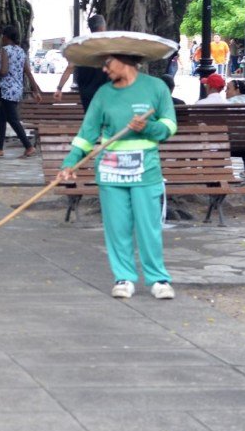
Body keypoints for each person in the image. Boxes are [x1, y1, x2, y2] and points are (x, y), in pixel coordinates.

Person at [57, 53, 178, 300]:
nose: (104, 69)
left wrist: (149, 127)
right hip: (111, 172)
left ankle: (158, 279)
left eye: (108, 63)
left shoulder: (155, 87)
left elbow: (169, 126)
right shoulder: (103, 94)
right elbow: (86, 133)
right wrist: (70, 163)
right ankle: (123, 278)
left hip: (146, 171)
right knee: (117, 227)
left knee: (149, 227)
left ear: (125, 60)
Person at [0, 25, 41, 158]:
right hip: (17, 89)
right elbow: (28, 71)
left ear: (6, 37)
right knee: (1, 117)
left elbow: (4, 71)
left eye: (2, 36)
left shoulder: (5, 50)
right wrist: (35, 89)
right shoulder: (20, 51)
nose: (1, 38)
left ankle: (28, 146)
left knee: (12, 119)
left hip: (6, 90)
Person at [54, 14, 109, 109]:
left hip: (86, 93)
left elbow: (70, 67)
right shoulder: (108, 46)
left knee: (91, 120)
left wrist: (59, 88)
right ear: (102, 28)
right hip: (105, 91)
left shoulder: (81, 46)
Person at [225, 78, 245, 178]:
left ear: (237, 90)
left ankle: (217, 169)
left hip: (232, 142)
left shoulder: (227, 103)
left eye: (228, 88)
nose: (225, 91)